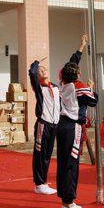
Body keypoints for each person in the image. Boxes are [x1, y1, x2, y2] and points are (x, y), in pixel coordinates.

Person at [57, 35, 98, 208]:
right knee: (71, 164)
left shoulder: (63, 84)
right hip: (73, 127)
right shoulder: (79, 86)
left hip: (62, 125)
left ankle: (65, 199)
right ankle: (68, 203)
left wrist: (81, 46)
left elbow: (71, 65)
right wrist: (91, 88)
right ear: (78, 75)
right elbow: (93, 101)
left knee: (63, 162)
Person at [29, 56, 60, 195]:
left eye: (44, 69)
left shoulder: (56, 87)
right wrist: (37, 63)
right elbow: (31, 72)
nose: (42, 71)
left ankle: (43, 182)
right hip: (43, 124)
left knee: (47, 154)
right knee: (40, 154)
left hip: (54, 125)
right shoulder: (39, 87)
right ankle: (39, 183)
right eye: (39, 71)